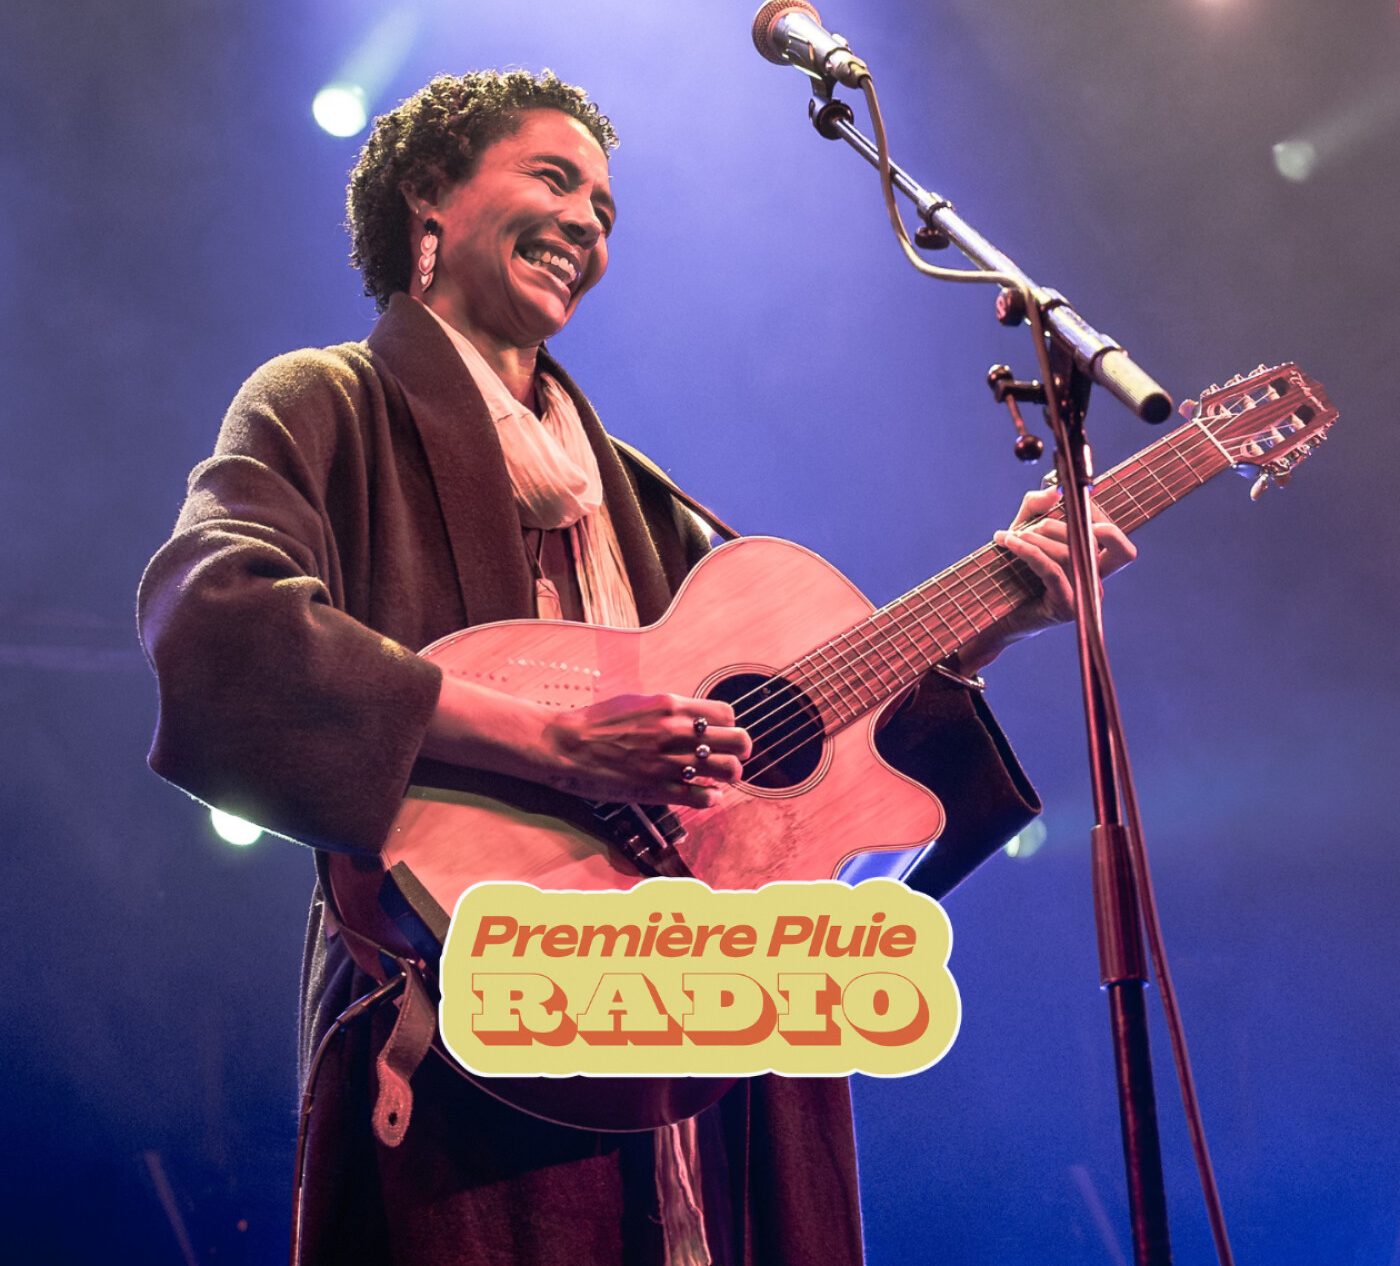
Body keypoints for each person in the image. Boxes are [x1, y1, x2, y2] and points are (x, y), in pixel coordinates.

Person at [138, 70, 1134, 1266]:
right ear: (428, 197)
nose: (585, 224)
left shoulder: (639, 495)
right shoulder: (327, 403)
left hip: (693, 1017)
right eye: (552, 179)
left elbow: (793, 762)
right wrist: (558, 743)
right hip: (467, 1015)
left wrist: (977, 630)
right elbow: (219, 620)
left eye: (604, 209)